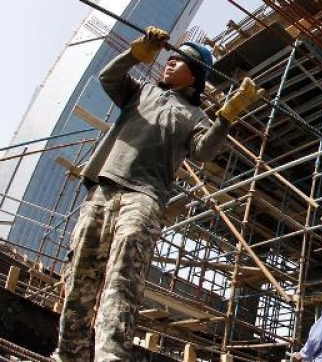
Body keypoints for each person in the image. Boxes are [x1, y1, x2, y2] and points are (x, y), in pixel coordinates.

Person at [52, 26, 264, 361]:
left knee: (123, 277)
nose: (168, 63)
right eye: (168, 58)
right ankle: (68, 355)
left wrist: (225, 117)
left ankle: (111, 357)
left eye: (177, 61)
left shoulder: (194, 115)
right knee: (80, 273)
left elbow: (203, 151)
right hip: (104, 187)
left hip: (144, 196)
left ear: (193, 76)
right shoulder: (141, 92)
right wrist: (138, 52)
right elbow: (108, 77)